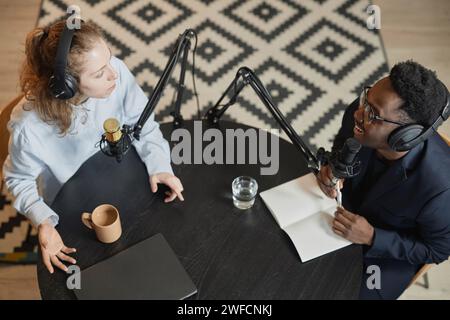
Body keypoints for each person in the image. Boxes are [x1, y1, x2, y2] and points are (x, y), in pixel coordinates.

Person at [2, 20, 184, 274]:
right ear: (66, 86)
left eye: (109, 60)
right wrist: (43, 221)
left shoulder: (116, 73)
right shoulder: (28, 128)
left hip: (124, 172)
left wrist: (159, 165)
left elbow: (145, 126)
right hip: (73, 202)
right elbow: (18, 179)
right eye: (99, 74)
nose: (114, 74)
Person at [316, 61, 450, 299]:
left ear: (406, 136)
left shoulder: (441, 189)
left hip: (384, 256)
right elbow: (340, 152)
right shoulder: (358, 119)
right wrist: (332, 171)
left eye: (373, 114)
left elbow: (437, 250)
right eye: (365, 99)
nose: (358, 113)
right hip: (336, 212)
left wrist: (372, 237)